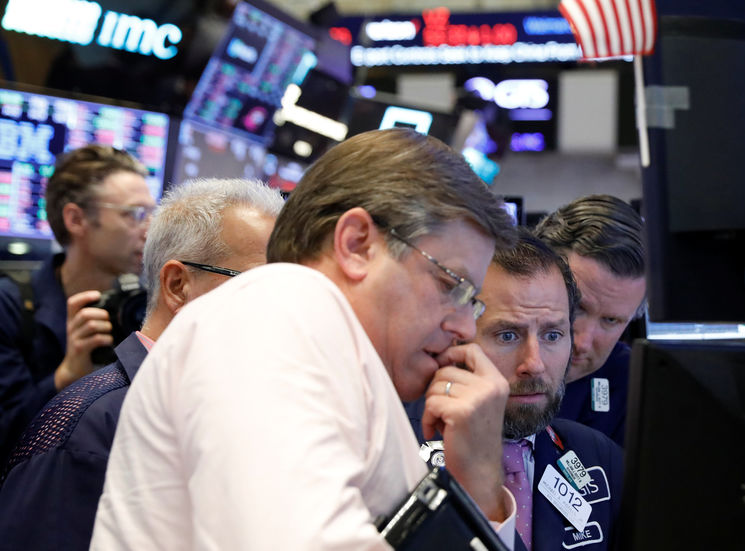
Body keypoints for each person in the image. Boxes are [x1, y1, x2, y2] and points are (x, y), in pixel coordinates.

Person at [90, 128, 519, 550]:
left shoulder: (315, 338)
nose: (465, 328)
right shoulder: (274, 311)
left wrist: (479, 482)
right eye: (451, 284)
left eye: (471, 301)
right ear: (356, 244)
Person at [0, 178, 284, 551]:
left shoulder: (226, 412)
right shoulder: (89, 430)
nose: (283, 308)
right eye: (260, 285)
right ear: (178, 285)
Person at [410, 230, 623, 550]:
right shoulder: (396, 447)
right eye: (507, 335)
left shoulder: (597, 455)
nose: (534, 364)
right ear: (457, 337)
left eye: (553, 335)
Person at [0, 145, 155, 463]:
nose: (150, 229)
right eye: (134, 214)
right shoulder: (9, 305)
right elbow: (5, 434)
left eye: (153, 214)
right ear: (76, 219)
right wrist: (66, 378)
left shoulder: (146, 305)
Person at [533, 194, 646, 446]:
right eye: (577, 307)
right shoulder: (459, 356)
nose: (582, 342)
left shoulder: (636, 386)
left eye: (611, 320)